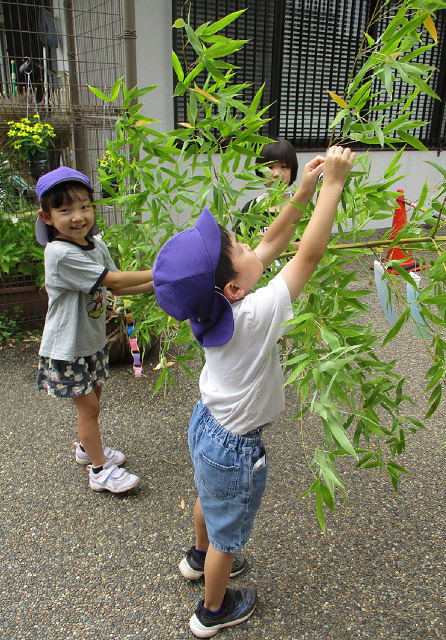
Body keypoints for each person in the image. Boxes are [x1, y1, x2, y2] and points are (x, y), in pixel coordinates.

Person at [153, 146, 355, 637]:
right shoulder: (256, 314)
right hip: (235, 445)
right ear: (233, 288)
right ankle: (213, 610)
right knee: (229, 534)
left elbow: (272, 242)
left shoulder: (216, 308)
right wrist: (333, 187)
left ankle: (198, 558)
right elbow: (307, 253)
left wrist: (301, 192)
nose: (249, 244)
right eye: (237, 247)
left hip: (207, 425)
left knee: (207, 497)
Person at [35, 167, 154, 494]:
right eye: (65, 210)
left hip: (91, 342)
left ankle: (88, 450)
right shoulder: (59, 253)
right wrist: (160, 270)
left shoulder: (95, 244)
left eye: (84, 206)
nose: (77, 217)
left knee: (95, 400)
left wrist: (160, 284)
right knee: (89, 409)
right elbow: (113, 281)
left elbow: (121, 288)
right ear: (46, 217)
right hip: (67, 348)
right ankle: (100, 471)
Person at [234, 138, 298, 238]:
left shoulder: (300, 205)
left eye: (284, 166)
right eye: (270, 167)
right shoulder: (251, 208)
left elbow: (313, 244)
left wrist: (277, 243)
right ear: (260, 171)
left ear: (293, 169)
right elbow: (240, 243)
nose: (276, 174)